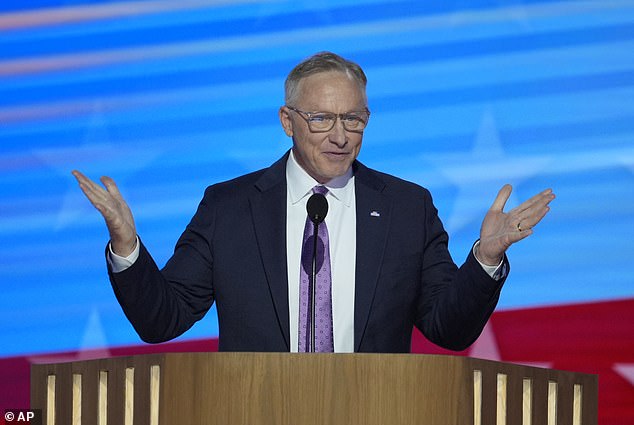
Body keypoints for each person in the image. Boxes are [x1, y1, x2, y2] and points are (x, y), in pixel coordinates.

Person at [72, 52, 555, 353]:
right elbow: (163, 319)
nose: (341, 136)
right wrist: (126, 244)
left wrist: (485, 259)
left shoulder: (408, 208)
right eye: (322, 119)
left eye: (354, 119)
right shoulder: (229, 208)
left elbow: (448, 329)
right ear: (288, 121)